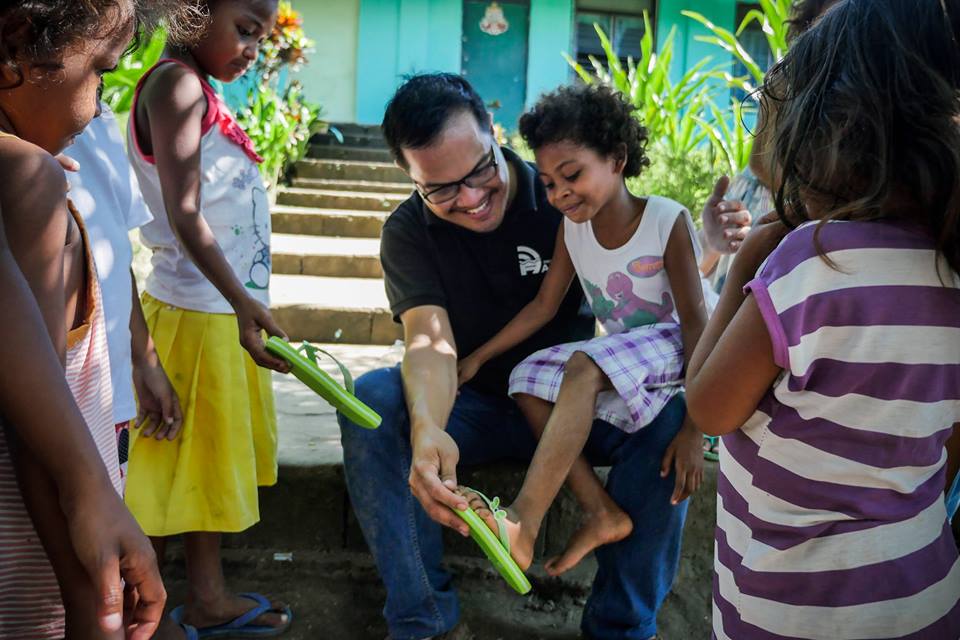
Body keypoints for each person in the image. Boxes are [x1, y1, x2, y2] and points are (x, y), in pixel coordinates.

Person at [337, 72, 693, 640]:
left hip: (573, 410)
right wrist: (429, 426)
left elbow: (653, 256)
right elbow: (430, 339)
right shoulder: (408, 232)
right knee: (374, 402)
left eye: (479, 171)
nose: (472, 198)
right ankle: (424, 621)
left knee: (667, 420)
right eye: (442, 189)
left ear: (493, 135)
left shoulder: (565, 196)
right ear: (410, 180)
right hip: (473, 407)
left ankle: (622, 628)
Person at [685, 0, 960, 636]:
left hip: (793, 606)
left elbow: (708, 407)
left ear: (819, 133)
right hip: (923, 591)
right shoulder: (950, 261)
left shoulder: (810, 262)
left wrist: (753, 258)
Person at [456, 84, 706, 577]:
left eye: (572, 175)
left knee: (584, 362)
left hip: (678, 346)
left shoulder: (665, 220)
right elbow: (544, 306)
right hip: (624, 355)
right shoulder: (573, 227)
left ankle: (522, 523)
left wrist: (697, 427)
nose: (559, 193)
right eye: (548, 183)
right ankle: (600, 511)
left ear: (616, 159)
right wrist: (480, 357)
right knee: (525, 381)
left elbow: (698, 324)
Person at [123, 0, 292, 634]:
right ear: (191, 11)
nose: (252, 49)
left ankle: (209, 596)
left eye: (261, 37)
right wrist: (245, 303)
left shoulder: (196, 87)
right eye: (245, 30)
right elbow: (186, 212)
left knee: (203, 464)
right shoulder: (177, 84)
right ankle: (149, 609)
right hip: (197, 316)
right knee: (164, 471)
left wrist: (244, 305)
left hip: (219, 315)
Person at [0, 1, 166, 637]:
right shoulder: (25, 180)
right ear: (17, 43)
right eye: (100, 71)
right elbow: (34, 420)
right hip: (30, 581)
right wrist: (93, 603)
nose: (99, 105)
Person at [67, 101, 183, 483]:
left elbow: (116, 255)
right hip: (57, 401)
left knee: (109, 500)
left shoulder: (99, 120)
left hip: (110, 392)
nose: (99, 88)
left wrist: (144, 360)